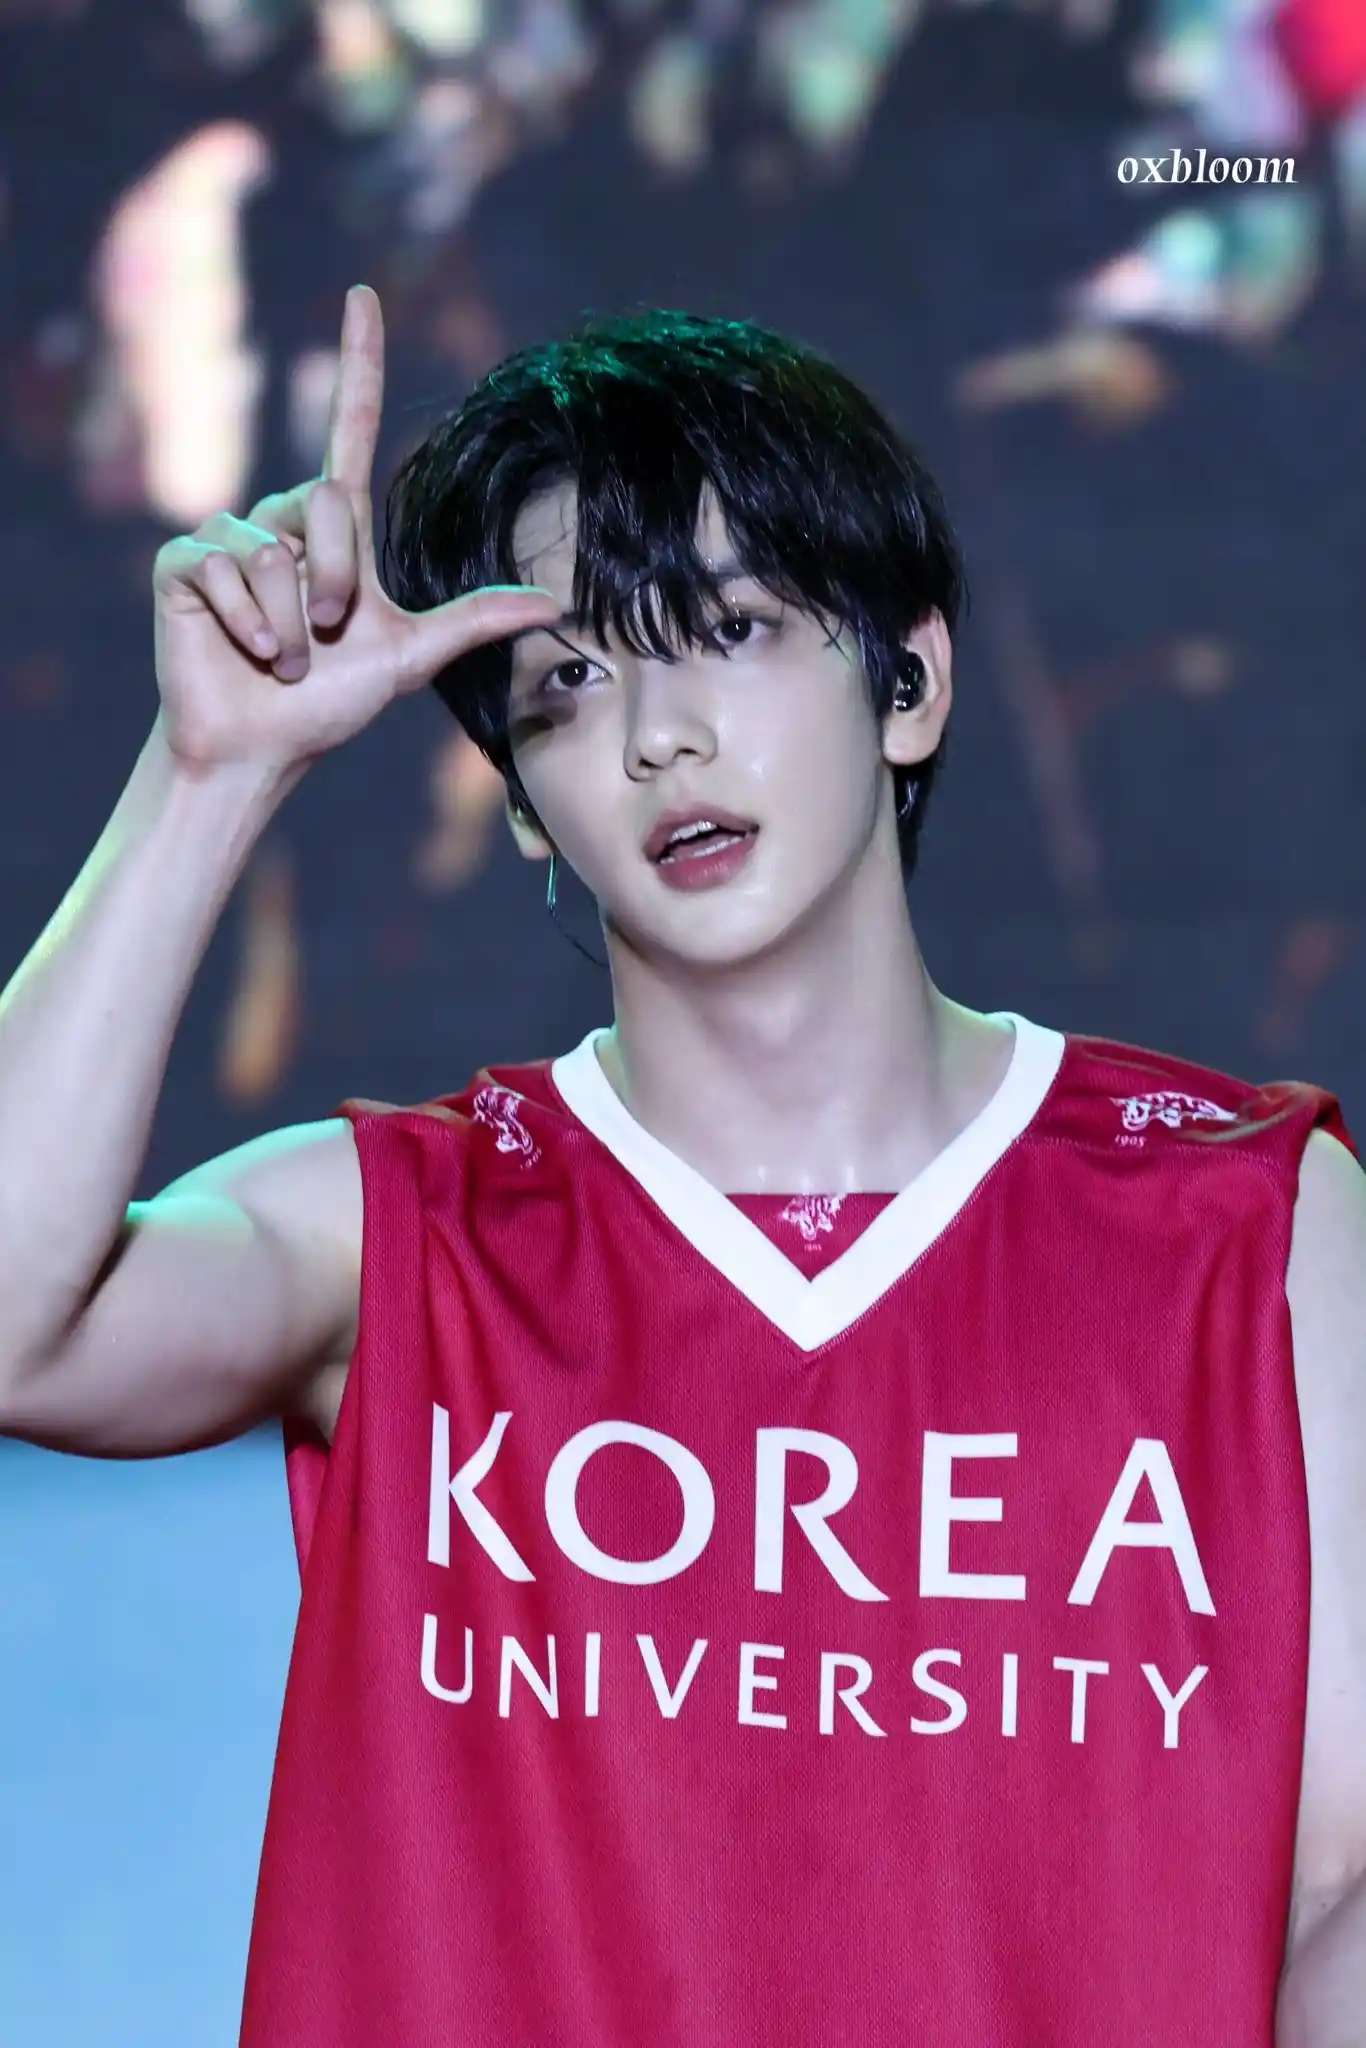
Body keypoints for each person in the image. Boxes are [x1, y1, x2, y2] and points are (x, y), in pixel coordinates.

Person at [0, 284, 1362, 2048]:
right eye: (568, 684)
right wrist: (209, 775)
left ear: (909, 682)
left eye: (726, 629)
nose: (658, 736)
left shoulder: (1255, 1226)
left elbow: (1342, 1892)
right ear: (519, 801)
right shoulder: (405, 1229)